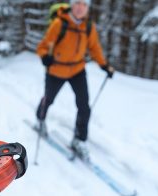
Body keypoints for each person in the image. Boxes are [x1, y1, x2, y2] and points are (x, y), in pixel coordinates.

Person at [35, 0, 114, 160]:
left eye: (84, 5)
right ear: (72, 5)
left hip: (77, 70)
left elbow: (94, 48)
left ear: (87, 8)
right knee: (48, 99)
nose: (80, 7)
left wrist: (104, 65)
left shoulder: (88, 27)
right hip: (56, 69)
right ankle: (40, 120)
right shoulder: (59, 23)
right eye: (77, 3)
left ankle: (79, 139)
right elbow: (43, 46)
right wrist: (45, 56)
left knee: (84, 106)